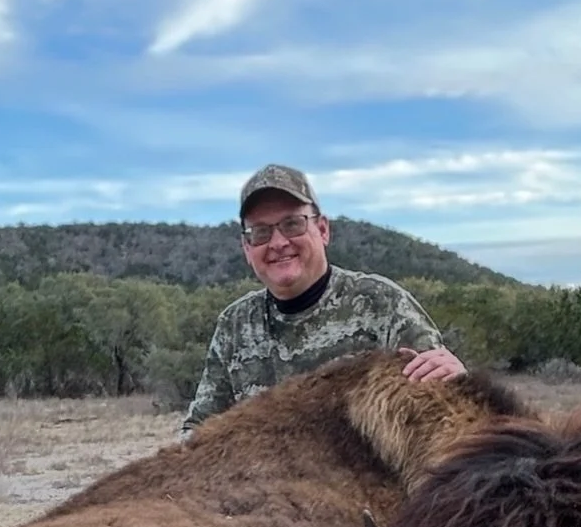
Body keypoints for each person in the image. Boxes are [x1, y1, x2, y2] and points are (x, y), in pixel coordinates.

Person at [180, 165, 466, 435]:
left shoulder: (382, 304)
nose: (278, 243)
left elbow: (441, 406)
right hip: (260, 483)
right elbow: (198, 430)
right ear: (246, 248)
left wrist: (459, 385)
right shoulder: (234, 325)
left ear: (323, 230)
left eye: (292, 224)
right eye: (260, 233)